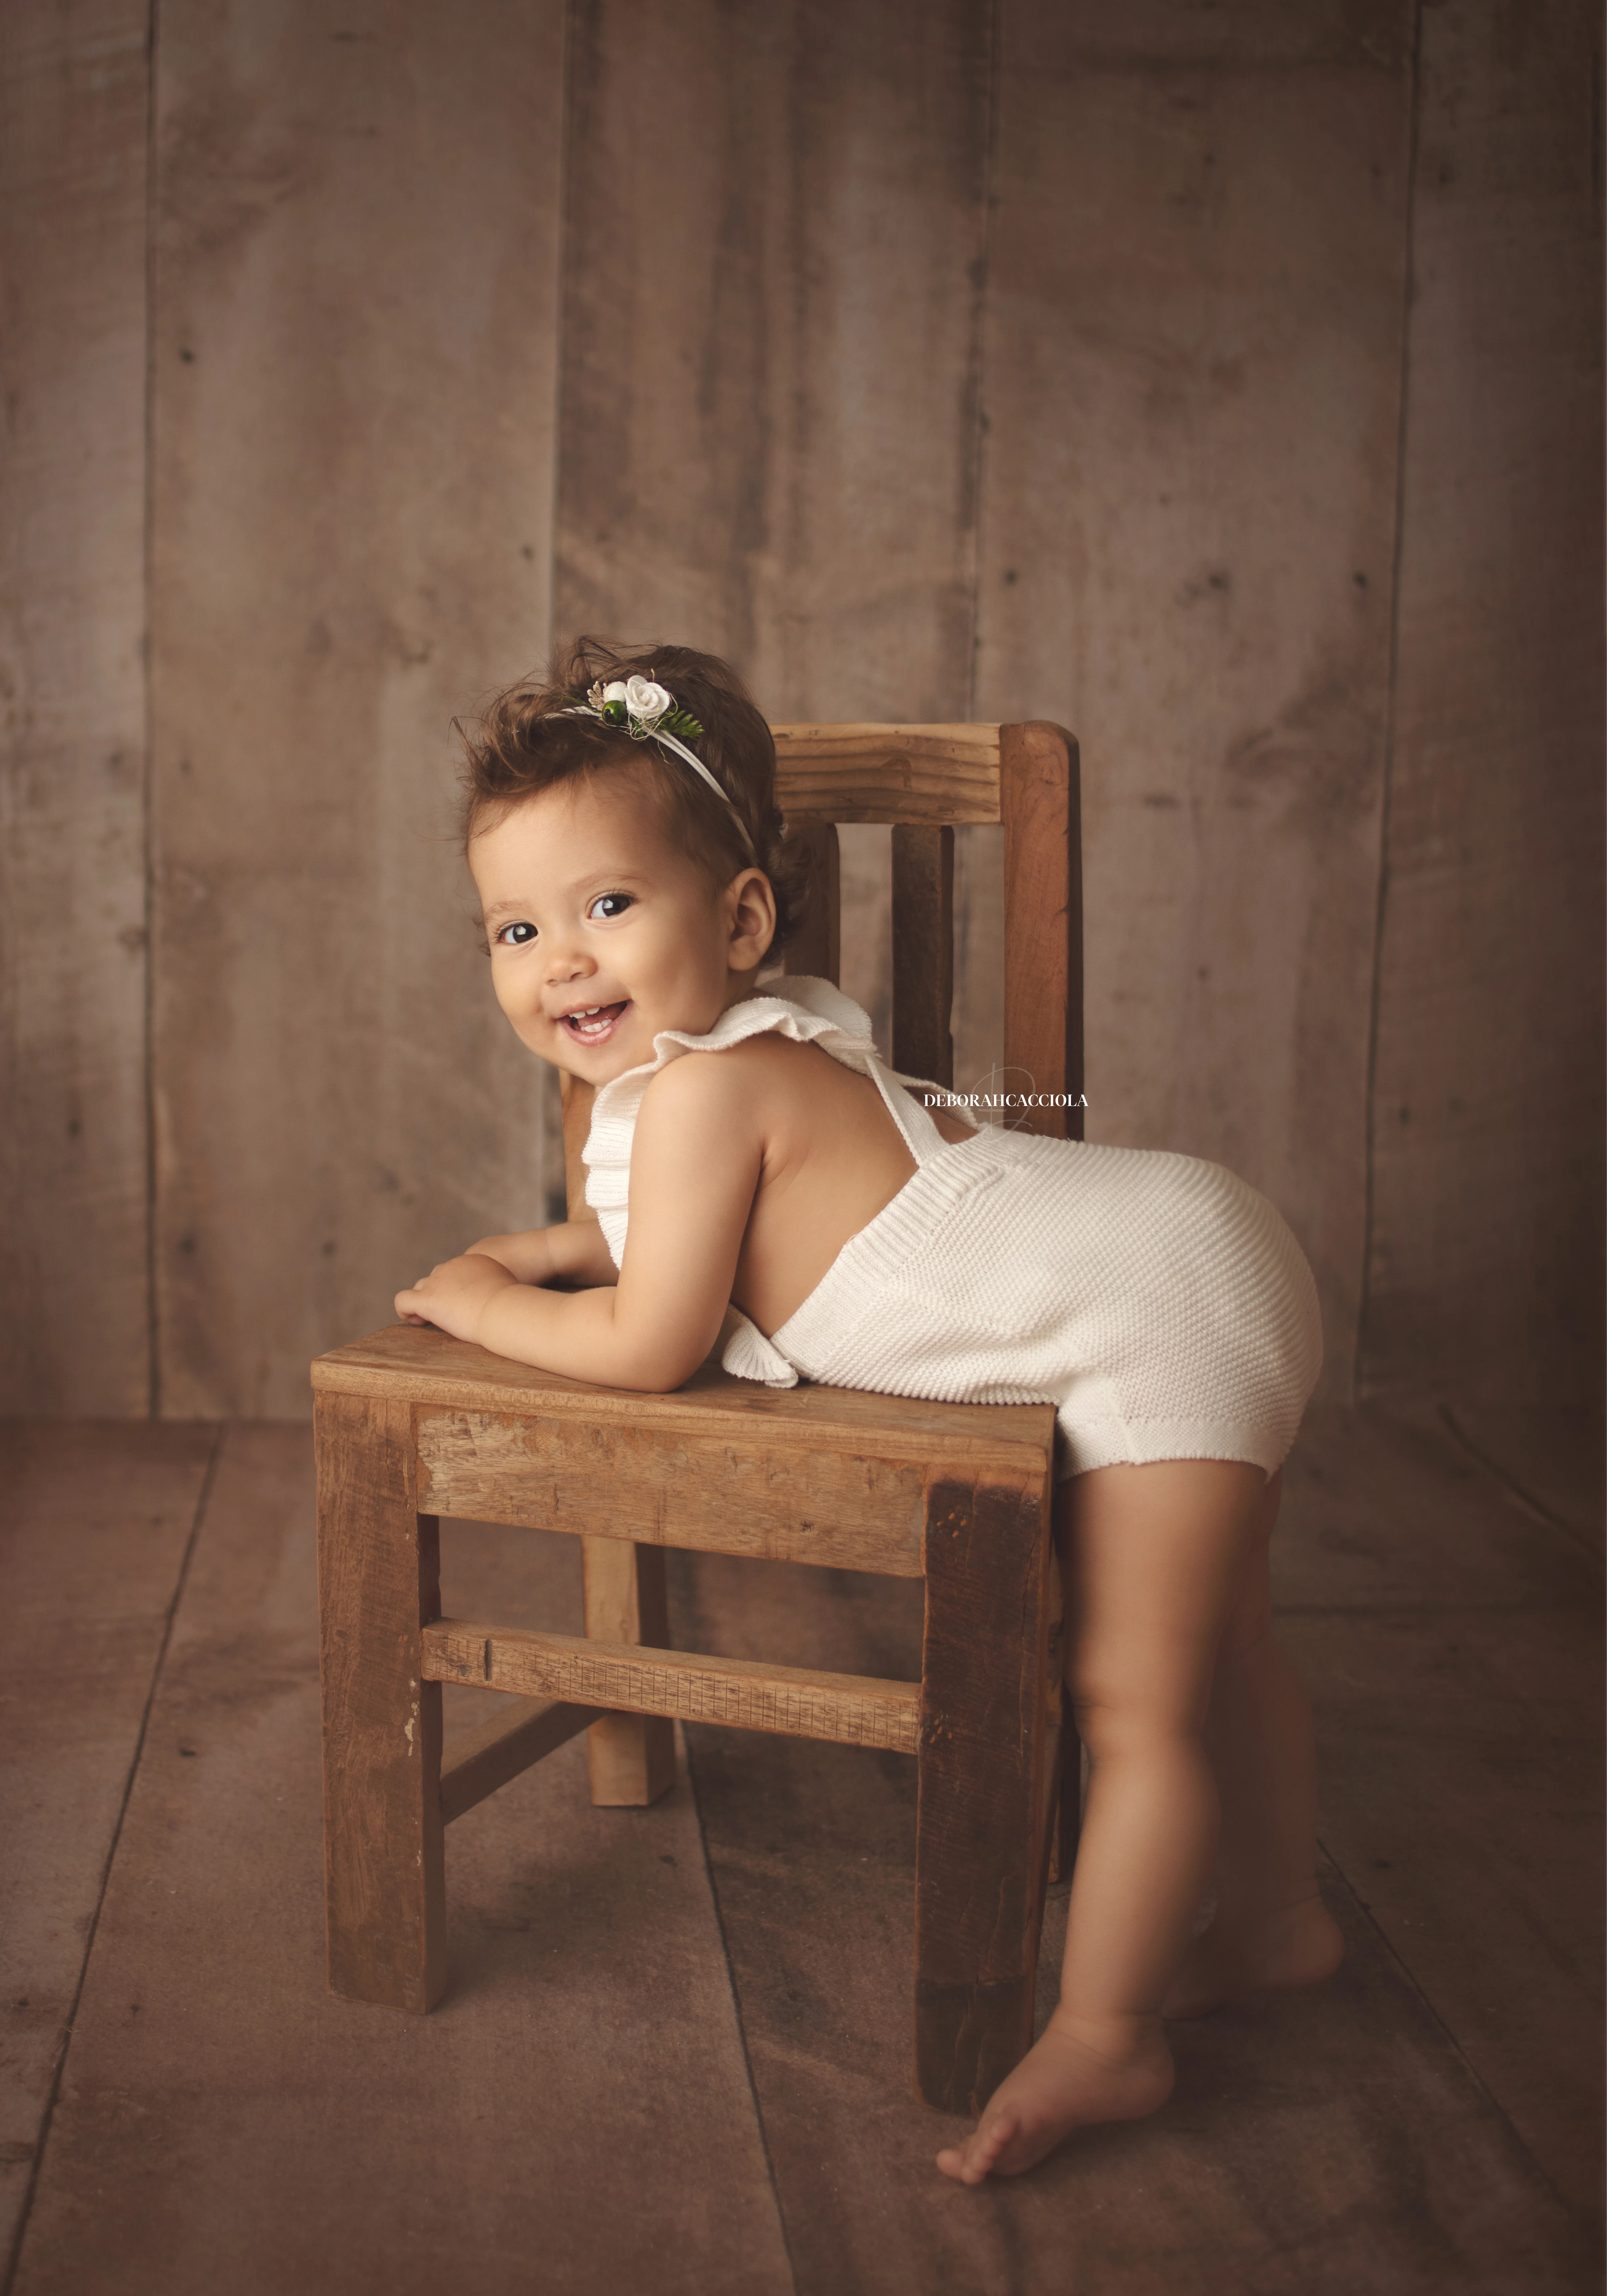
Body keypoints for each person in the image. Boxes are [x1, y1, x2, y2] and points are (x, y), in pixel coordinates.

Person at [396, 638, 1343, 2185]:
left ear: (743, 917)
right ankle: (1285, 1923)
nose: (560, 959)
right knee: (1228, 1642)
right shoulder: (765, 1045)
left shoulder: (705, 1089)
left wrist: (493, 1301)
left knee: (1136, 1694)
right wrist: (559, 1245)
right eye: (516, 926)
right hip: (1175, 1244)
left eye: (608, 906)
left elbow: (653, 1342)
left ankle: (1109, 2037)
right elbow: (706, 1239)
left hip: (1152, 1306)